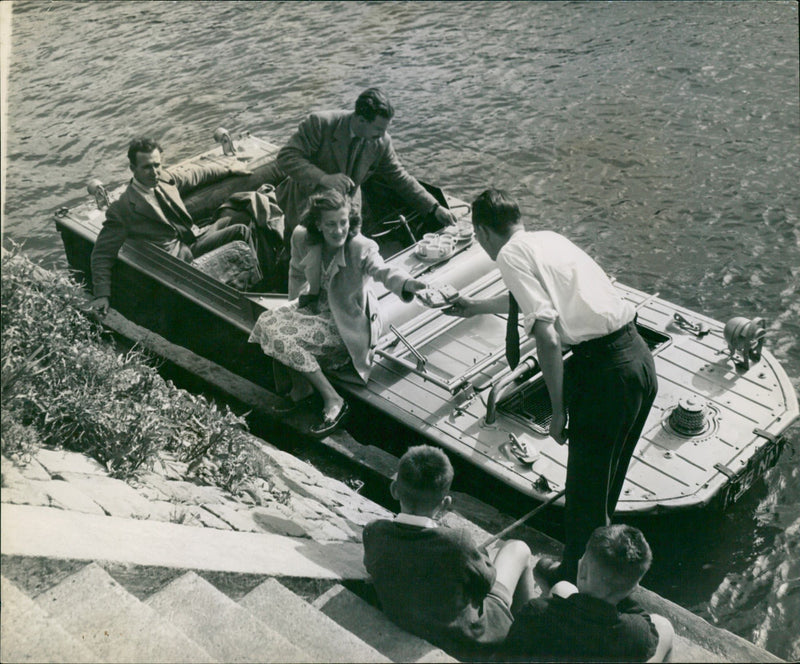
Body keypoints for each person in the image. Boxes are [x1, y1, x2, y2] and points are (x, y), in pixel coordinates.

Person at [445, 189, 658, 586]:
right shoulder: (549, 240)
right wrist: (473, 306)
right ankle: (601, 576)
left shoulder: (508, 255)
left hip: (605, 374)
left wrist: (558, 411)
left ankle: (578, 583)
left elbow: (546, 336)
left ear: (482, 232)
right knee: (606, 484)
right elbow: (533, 304)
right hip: (639, 359)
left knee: (583, 497)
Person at [248, 188, 427, 437]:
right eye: (330, 224)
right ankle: (301, 389)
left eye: (343, 222)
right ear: (318, 224)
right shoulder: (302, 237)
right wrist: (296, 309)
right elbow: (296, 273)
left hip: (345, 323)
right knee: (266, 321)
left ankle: (334, 400)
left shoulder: (361, 247)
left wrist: (408, 284)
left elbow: (383, 271)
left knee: (282, 337)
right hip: (316, 309)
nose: (339, 230)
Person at [363, 444, 537, 661]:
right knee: (518, 548)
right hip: (472, 640)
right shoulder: (458, 541)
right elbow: (486, 583)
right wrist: (477, 556)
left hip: (416, 621)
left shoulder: (374, 532)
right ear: (445, 503)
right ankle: (530, 638)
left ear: (394, 490)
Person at [90, 137, 253, 315]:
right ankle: (243, 301)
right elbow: (102, 253)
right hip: (177, 262)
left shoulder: (165, 179)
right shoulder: (123, 208)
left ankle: (255, 285)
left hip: (192, 238)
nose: (154, 172)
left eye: (157, 165)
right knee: (239, 238)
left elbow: (196, 174)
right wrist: (102, 294)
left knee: (241, 227)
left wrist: (229, 168)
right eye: (146, 167)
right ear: (133, 169)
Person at [275, 87, 458, 241]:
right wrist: (324, 178)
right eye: (379, 128)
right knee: (304, 257)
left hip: (348, 212)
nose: (383, 134)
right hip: (309, 209)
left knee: (349, 260)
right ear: (361, 120)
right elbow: (286, 157)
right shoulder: (320, 124)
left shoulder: (381, 141)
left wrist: (434, 208)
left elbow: (399, 177)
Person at [497, 525, 674, 662]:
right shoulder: (639, 634)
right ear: (633, 589)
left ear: (582, 572)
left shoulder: (536, 612)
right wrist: (623, 589)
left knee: (562, 588)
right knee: (664, 626)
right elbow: (642, 617)